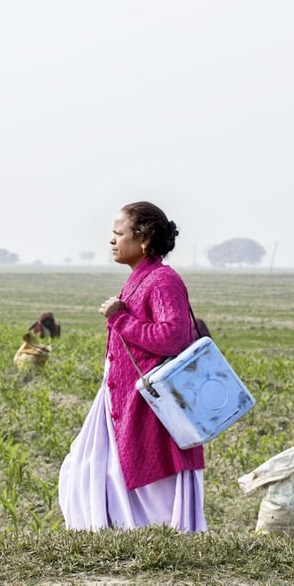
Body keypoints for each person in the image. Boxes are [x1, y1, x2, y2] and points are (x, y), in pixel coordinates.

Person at [58, 201, 205, 533]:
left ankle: (155, 531)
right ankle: (123, 530)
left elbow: (173, 337)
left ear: (144, 239)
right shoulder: (141, 279)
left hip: (150, 400)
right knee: (86, 467)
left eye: (117, 233)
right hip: (122, 395)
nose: (112, 240)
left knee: (126, 472)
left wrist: (120, 318)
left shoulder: (162, 280)